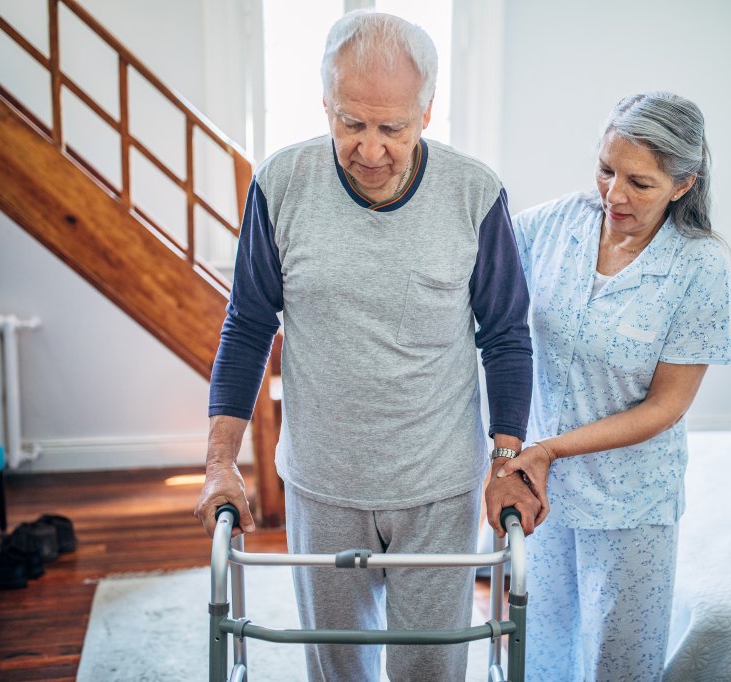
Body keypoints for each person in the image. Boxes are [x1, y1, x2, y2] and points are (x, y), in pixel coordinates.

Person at [194, 11, 541, 682]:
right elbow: (246, 325)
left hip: (437, 485)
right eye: (352, 123)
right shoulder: (280, 184)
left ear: (427, 113)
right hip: (323, 483)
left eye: (393, 128)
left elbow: (505, 334)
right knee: (336, 670)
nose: (371, 150)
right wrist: (218, 460)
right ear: (325, 103)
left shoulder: (474, 193)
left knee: (429, 670)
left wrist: (506, 459)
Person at [487, 92, 731, 681]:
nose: (614, 195)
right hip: (540, 489)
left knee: (616, 663)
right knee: (539, 647)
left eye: (640, 183)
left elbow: (666, 406)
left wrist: (548, 449)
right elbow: (476, 278)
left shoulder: (700, 267)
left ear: (682, 185)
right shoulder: (553, 226)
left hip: (631, 501)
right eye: (606, 170)